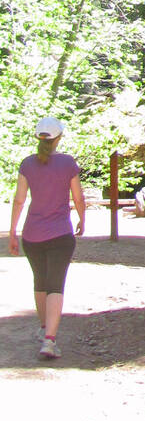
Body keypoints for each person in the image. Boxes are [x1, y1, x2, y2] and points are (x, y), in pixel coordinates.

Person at [8, 116, 85, 359]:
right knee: (55, 285)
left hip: (32, 235)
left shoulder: (27, 164)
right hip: (61, 234)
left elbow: (19, 200)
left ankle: (44, 329)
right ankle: (50, 341)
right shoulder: (68, 163)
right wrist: (82, 218)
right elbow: (78, 197)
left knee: (40, 282)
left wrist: (12, 231)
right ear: (58, 138)